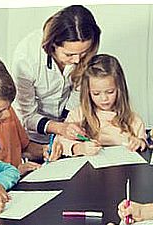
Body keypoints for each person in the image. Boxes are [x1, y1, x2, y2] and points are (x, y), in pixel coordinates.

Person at [11, 5, 101, 145]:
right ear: (52, 45)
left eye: (83, 53)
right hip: (32, 138)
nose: (77, 61)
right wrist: (61, 128)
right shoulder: (26, 57)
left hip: (68, 133)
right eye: (69, 55)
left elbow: (76, 96)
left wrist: (70, 125)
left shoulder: (84, 55)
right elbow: (26, 115)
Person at [56, 54, 146, 156]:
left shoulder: (133, 120)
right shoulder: (78, 115)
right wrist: (79, 148)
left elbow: (143, 146)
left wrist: (139, 143)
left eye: (110, 92)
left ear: (120, 89)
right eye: (96, 93)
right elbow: (59, 143)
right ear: (88, 92)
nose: (104, 99)